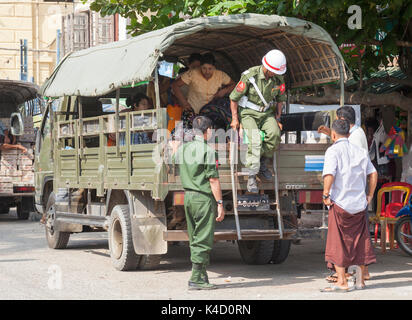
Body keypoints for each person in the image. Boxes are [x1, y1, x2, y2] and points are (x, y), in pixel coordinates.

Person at [321, 119, 377, 292]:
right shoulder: (360, 151)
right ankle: (359, 281)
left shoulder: (333, 151)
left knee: (337, 243)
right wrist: (370, 195)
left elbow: (329, 174)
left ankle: (342, 282)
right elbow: (373, 173)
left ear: (334, 134)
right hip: (359, 204)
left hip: (340, 204)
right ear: (349, 133)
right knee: (360, 242)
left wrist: (325, 194)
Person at [173, 116, 225, 290]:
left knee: (195, 237)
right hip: (203, 199)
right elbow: (213, 180)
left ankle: (202, 274)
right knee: (203, 239)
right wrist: (220, 203)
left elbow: (172, 160)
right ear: (208, 130)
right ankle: (196, 278)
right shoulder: (208, 151)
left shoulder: (183, 149)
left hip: (188, 197)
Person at [229, 49, 287, 193]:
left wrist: (278, 118)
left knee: (274, 134)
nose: (276, 74)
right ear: (266, 67)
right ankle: (252, 176)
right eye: (274, 71)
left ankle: (261, 161)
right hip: (248, 113)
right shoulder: (250, 76)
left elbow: (280, 99)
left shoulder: (278, 79)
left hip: (266, 113)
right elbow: (233, 98)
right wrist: (235, 119)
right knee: (254, 139)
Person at [171, 53, 236, 134]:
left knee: (212, 138)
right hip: (193, 111)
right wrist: (184, 103)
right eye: (204, 68)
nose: (207, 71)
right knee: (189, 136)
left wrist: (223, 91)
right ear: (200, 67)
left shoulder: (221, 75)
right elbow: (175, 85)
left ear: (214, 67)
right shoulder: (192, 73)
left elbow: (234, 85)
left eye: (210, 68)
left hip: (212, 113)